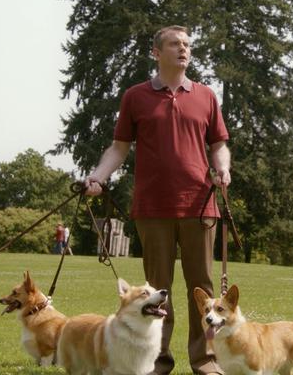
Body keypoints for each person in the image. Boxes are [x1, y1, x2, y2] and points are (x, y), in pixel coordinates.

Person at [84, 25, 231, 375]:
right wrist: (97, 177)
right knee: (156, 293)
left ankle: (206, 361)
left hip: (200, 206)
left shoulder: (206, 95)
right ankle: (157, 362)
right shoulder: (135, 96)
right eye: (174, 44)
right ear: (156, 52)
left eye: (187, 45)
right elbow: (119, 148)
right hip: (152, 208)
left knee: (203, 292)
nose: (183, 50)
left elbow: (219, 145)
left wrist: (222, 169)